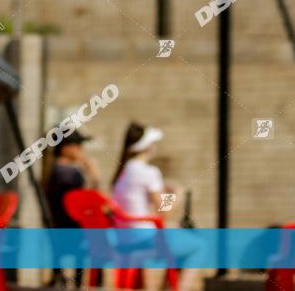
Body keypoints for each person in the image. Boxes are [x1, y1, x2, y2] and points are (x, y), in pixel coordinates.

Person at [111, 122, 204, 290]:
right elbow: (163, 211)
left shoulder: (122, 173)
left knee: (177, 238)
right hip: (146, 239)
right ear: (147, 146)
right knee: (200, 246)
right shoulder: (149, 172)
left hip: (124, 239)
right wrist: (177, 195)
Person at [44, 130, 100, 288]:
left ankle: (62, 279)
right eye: (77, 145)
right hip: (72, 228)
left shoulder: (55, 170)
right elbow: (88, 199)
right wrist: (93, 173)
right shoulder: (67, 173)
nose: (81, 149)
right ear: (65, 148)